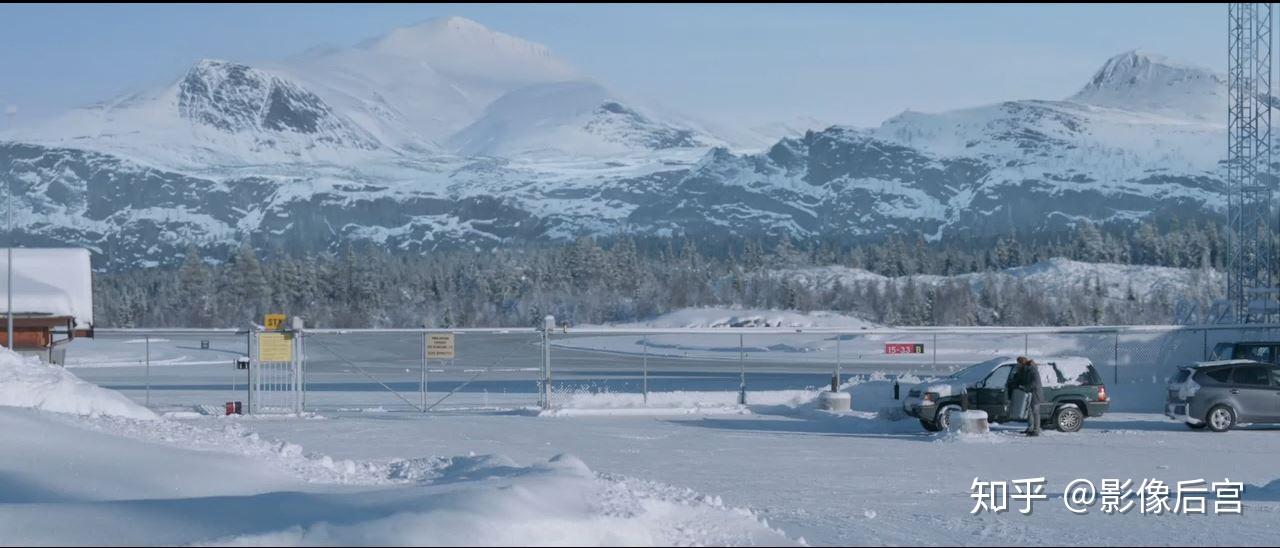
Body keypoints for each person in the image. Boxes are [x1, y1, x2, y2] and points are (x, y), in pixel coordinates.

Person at [1019, 358, 1045, 436]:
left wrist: (1026, 387)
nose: (1018, 365)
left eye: (1019, 363)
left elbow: (1035, 382)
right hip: (1030, 394)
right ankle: (1030, 428)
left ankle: (1036, 430)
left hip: (1035, 394)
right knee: (1029, 412)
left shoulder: (1033, 369)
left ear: (1022, 362)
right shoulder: (1027, 369)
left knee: (1035, 412)